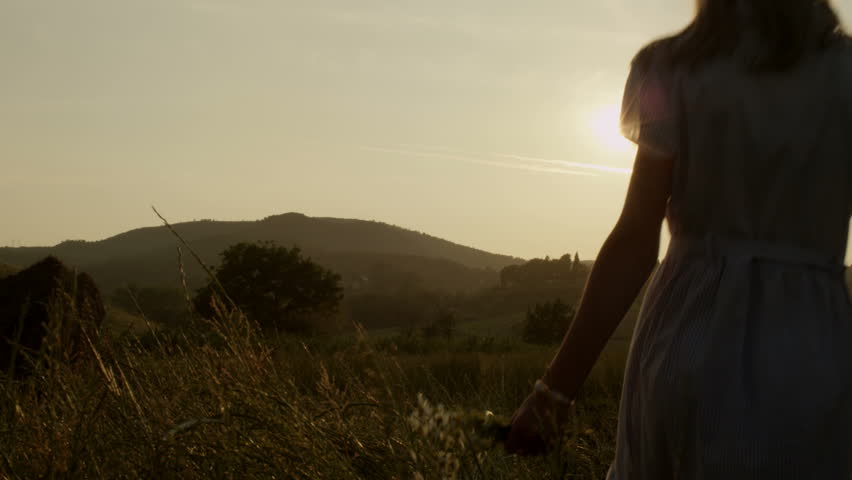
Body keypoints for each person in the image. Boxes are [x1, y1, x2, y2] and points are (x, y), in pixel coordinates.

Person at [506, 0, 852, 477]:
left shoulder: (671, 67)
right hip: (811, 346)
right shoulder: (843, 73)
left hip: (685, 335)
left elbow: (634, 239)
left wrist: (555, 391)